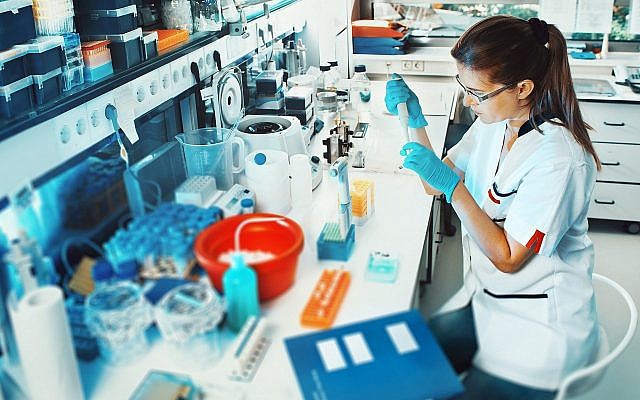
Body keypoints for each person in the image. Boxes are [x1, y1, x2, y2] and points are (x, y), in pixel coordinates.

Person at [385, 16, 601, 399]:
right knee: (399, 368)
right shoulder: (494, 121)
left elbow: (508, 257)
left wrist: (457, 190)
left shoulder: (559, 159)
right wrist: (412, 122)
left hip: (538, 331)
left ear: (523, 88)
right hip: (488, 300)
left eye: (477, 93)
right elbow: (432, 185)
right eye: (463, 87)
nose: (468, 101)